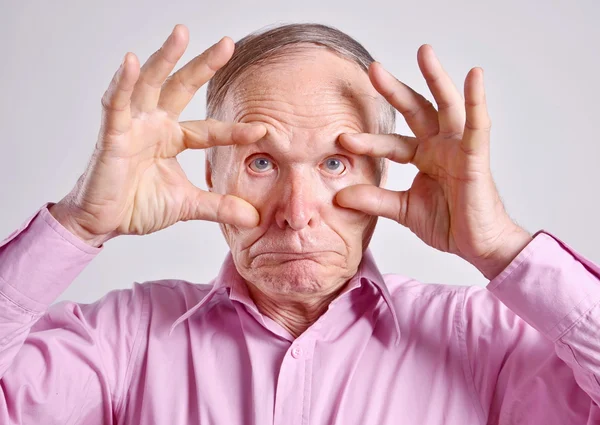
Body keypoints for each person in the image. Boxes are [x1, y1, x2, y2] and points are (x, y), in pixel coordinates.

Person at [0, 22, 598, 425]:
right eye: (261, 162)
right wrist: (79, 224)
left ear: (385, 174)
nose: (296, 210)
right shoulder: (125, 340)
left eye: (334, 163)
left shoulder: (480, 342)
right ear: (211, 172)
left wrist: (500, 249)